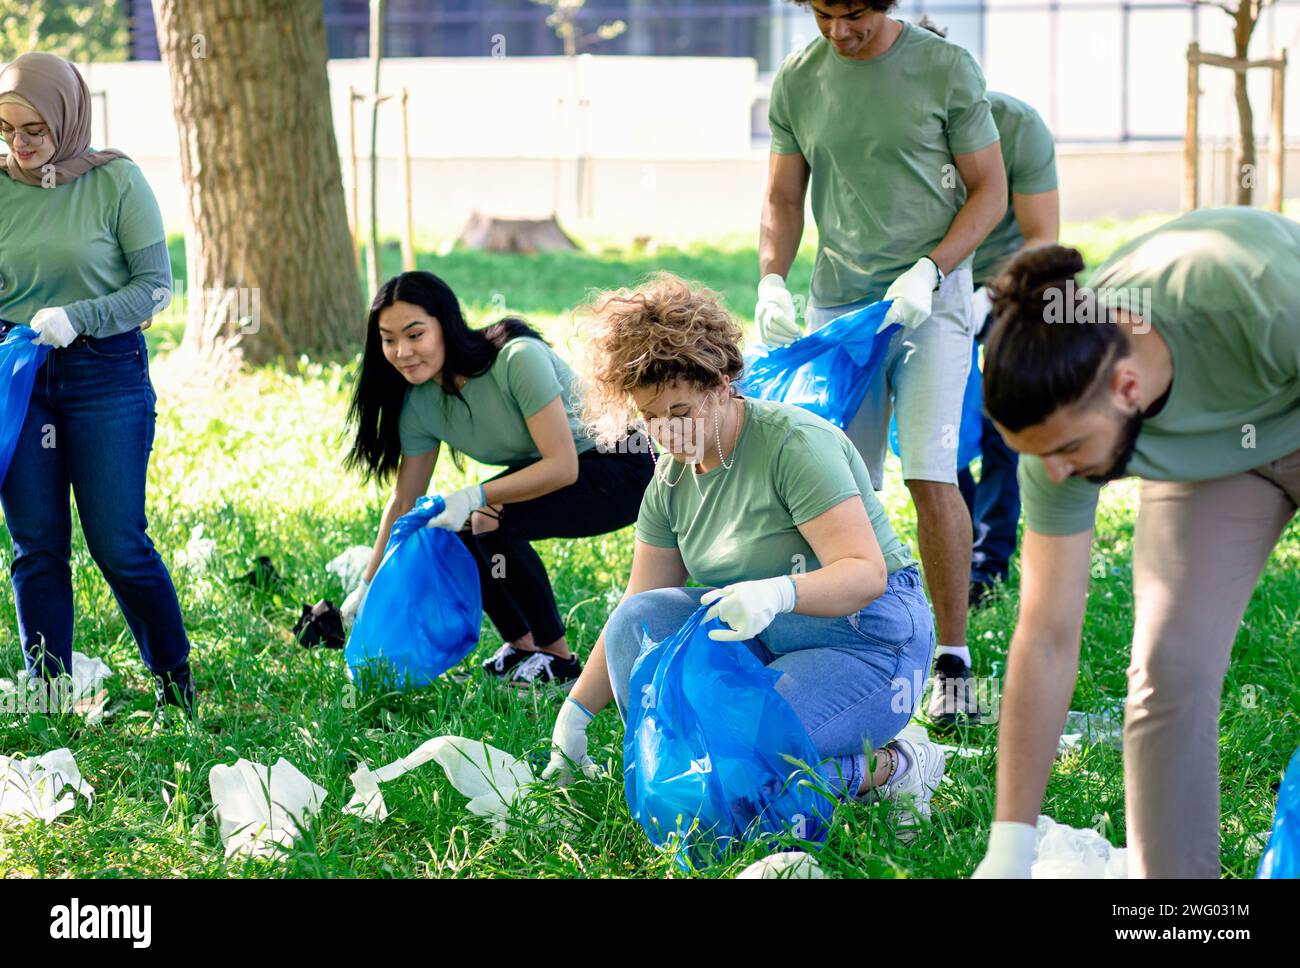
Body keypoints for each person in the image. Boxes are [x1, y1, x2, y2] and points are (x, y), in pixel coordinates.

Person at [543, 273, 944, 835]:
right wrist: (578, 713)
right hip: (765, 643)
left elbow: (865, 574)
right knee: (647, 638)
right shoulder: (670, 479)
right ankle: (704, 752)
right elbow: (639, 608)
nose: (666, 434)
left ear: (724, 383)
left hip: (865, 641)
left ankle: (895, 765)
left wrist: (778, 591)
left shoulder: (792, 444)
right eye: (651, 418)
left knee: (737, 780)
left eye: (680, 413)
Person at [970, 207, 1300, 878]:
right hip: (1217, 464)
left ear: (1127, 387)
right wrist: (1010, 847)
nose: (1054, 473)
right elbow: (1047, 634)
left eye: (1066, 451)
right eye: (1038, 457)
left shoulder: (1255, 293)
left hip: (1281, 381)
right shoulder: (1057, 428)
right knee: (1170, 669)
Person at [757, 0, 1008, 730]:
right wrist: (773, 276)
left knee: (930, 470)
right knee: (834, 483)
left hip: (931, 301)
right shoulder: (799, 79)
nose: (841, 31)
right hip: (839, 310)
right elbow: (781, 195)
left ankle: (952, 663)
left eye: (856, 13)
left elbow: (991, 191)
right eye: (824, 14)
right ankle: (850, 641)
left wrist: (931, 269)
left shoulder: (946, 67)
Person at [343, 271, 654, 687]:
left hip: (624, 464)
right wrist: (367, 585)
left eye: (415, 334)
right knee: (464, 528)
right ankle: (522, 645)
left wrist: (473, 495)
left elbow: (563, 465)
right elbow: (404, 502)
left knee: (488, 519)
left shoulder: (515, 358)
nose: (402, 351)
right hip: (562, 473)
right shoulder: (419, 404)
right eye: (388, 339)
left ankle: (558, 659)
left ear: (445, 324)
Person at [0, 53, 193, 715]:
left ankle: (175, 681)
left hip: (104, 373)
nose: (19, 147)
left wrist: (77, 319)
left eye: (34, 131)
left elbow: (155, 288)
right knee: (36, 543)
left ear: (68, 118)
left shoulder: (116, 181)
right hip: (19, 375)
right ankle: (48, 689)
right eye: (5, 130)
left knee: (117, 542)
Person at [956, 89, 1059, 608]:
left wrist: (990, 292)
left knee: (1002, 422)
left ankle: (988, 562)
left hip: (1014, 285)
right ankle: (959, 539)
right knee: (941, 433)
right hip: (933, 281)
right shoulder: (901, 124)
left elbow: (1043, 238)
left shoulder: (1017, 125)